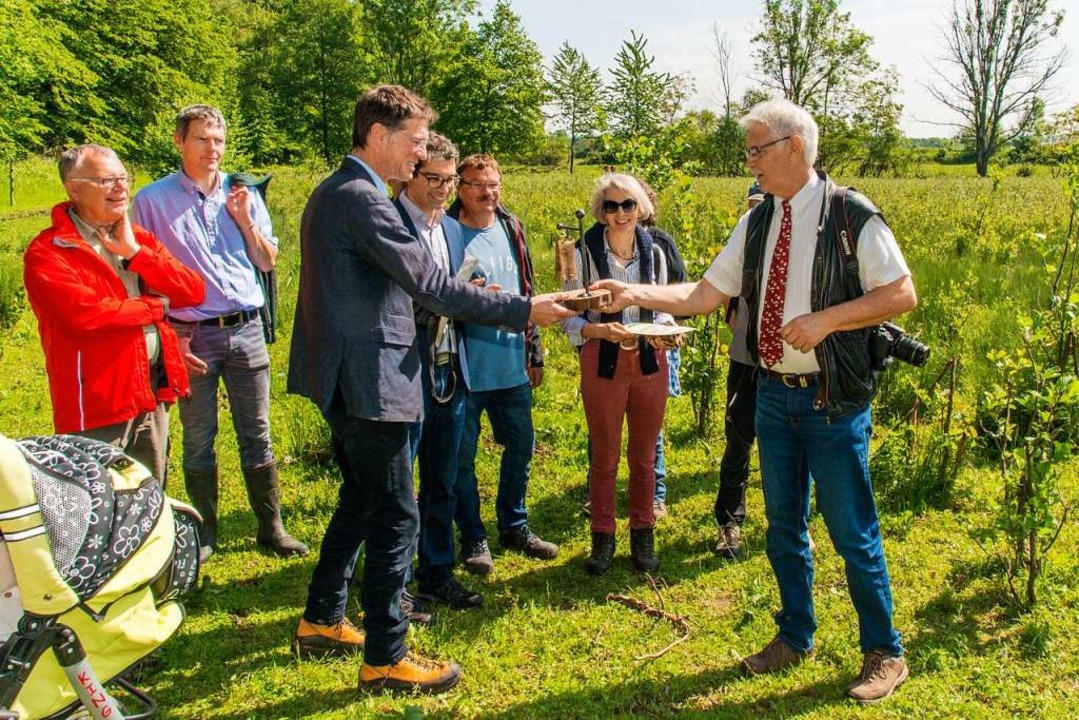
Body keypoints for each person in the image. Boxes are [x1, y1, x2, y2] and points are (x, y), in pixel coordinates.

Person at [593, 99, 916, 704]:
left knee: (852, 532)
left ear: (795, 147)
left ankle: (885, 652)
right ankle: (795, 635)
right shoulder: (760, 220)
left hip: (830, 401)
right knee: (782, 527)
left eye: (757, 149)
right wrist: (628, 289)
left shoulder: (852, 215)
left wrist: (825, 321)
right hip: (774, 396)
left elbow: (901, 293)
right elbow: (702, 294)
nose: (750, 161)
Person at [287, 85, 572, 694]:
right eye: (415, 143)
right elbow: (433, 287)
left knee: (362, 499)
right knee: (394, 514)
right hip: (373, 379)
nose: (419, 157)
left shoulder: (341, 192)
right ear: (380, 136)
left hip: (354, 375)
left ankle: (322, 616)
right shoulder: (362, 199)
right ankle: (387, 655)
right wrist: (527, 310)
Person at [132, 105, 307, 563]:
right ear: (180, 142)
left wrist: (246, 219)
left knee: (258, 431)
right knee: (198, 433)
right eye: (202, 139)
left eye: (219, 140)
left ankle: (271, 528)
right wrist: (171, 331)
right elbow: (144, 274)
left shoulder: (242, 191)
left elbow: (267, 261)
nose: (213, 149)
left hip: (246, 328)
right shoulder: (152, 200)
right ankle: (204, 531)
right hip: (191, 334)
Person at [24, 144, 205, 485]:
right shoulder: (49, 252)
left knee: (150, 492)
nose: (121, 187)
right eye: (107, 180)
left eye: (124, 178)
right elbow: (85, 316)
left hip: (149, 391)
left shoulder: (136, 238)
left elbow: (192, 290)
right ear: (73, 187)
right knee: (99, 497)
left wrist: (137, 254)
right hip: (96, 399)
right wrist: (154, 308)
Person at [447, 154, 558, 576]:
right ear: (461, 188)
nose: (488, 193)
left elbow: (526, 290)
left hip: (511, 361)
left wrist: (534, 350)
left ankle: (514, 525)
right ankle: (473, 535)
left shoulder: (511, 227)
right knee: (463, 456)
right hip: (465, 367)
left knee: (521, 444)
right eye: (478, 185)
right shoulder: (447, 231)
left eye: (494, 184)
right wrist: (469, 294)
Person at [562, 174, 675, 575]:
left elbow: (662, 308)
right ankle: (603, 538)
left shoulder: (655, 254)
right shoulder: (582, 253)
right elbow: (569, 319)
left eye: (628, 204)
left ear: (641, 207)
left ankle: (643, 535)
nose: (621, 213)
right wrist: (597, 330)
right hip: (602, 358)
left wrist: (665, 332)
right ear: (601, 213)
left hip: (648, 362)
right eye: (611, 206)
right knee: (605, 455)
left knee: (645, 457)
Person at [393, 133, 484, 611]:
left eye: (450, 181)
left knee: (442, 477)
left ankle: (437, 570)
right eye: (434, 178)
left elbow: (450, 289)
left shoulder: (448, 228)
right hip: (403, 368)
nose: (444, 189)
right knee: (400, 484)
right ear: (411, 173)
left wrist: (470, 289)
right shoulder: (388, 222)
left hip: (450, 365)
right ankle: (397, 583)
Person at [713, 183, 765, 559]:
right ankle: (729, 522)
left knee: (797, 450)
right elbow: (724, 304)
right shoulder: (742, 243)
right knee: (739, 442)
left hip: (793, 369)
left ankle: (794, 523)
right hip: (747, 362)